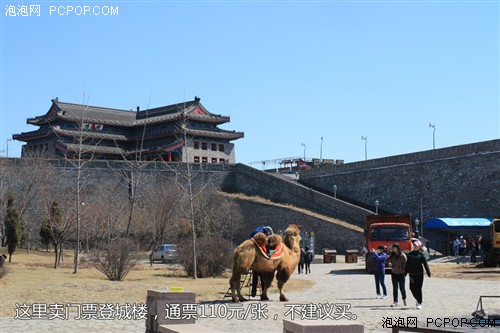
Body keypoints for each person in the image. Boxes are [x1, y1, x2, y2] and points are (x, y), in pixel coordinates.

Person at [405, 239, 431, 310]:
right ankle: (417, 298)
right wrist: (405, 272)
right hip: (412, 274)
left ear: (419, 246)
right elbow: (407, 265)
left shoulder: (421, 255)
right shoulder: (410, 255)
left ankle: (419, 302)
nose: (415, 246)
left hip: (419, 274)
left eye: (416, 246)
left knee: (418, 288)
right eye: (414, 245)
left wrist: (428, 272)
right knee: (412, 288)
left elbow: (425, 264)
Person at [250, 226, 273, 298]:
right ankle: (263, 294)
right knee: (263, 277)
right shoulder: (263, 238)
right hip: (261, 261)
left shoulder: (256, 232)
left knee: (255, 276)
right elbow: (267, 249)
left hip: (254, 260)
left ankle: (253, 292)